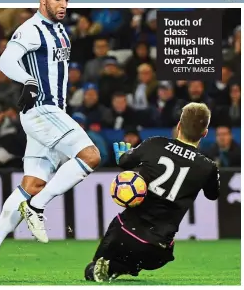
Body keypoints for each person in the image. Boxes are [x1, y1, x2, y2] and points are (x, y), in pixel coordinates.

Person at [0, 0, 101, 279]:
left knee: (31, 186)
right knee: (90, 156)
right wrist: (28, 80)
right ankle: (37, 208)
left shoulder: (60, 31)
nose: (64, 4)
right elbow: (6, 62)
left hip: (52, 112)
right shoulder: (31, 29)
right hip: (42, 111)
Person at [85, 102, 220, 282]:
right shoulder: (207, 166)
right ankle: (122, 267)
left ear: (178, 126)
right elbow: (213, 195)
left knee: (91, 269)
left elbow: (125, 161)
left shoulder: (155, 143)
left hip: (124, 235)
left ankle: (104, 264)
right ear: (205, 133)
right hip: (158, 251)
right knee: (148, 255)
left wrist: (123, 159)